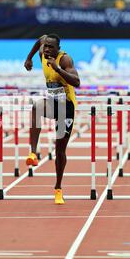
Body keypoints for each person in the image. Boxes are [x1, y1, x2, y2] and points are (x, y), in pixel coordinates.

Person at [24, 34, 81, 204]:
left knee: (60, 150)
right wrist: (29, 59)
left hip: (66, 107)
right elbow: (40, 40)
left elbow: (77, 82)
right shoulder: (42, 51)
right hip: (52, 102)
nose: (47, 49)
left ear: (58, 49)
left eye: (51, 47)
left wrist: (57, 69)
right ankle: (33, 153)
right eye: (46, 46)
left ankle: (58, 188)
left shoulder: (65, 60)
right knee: (36, 107)